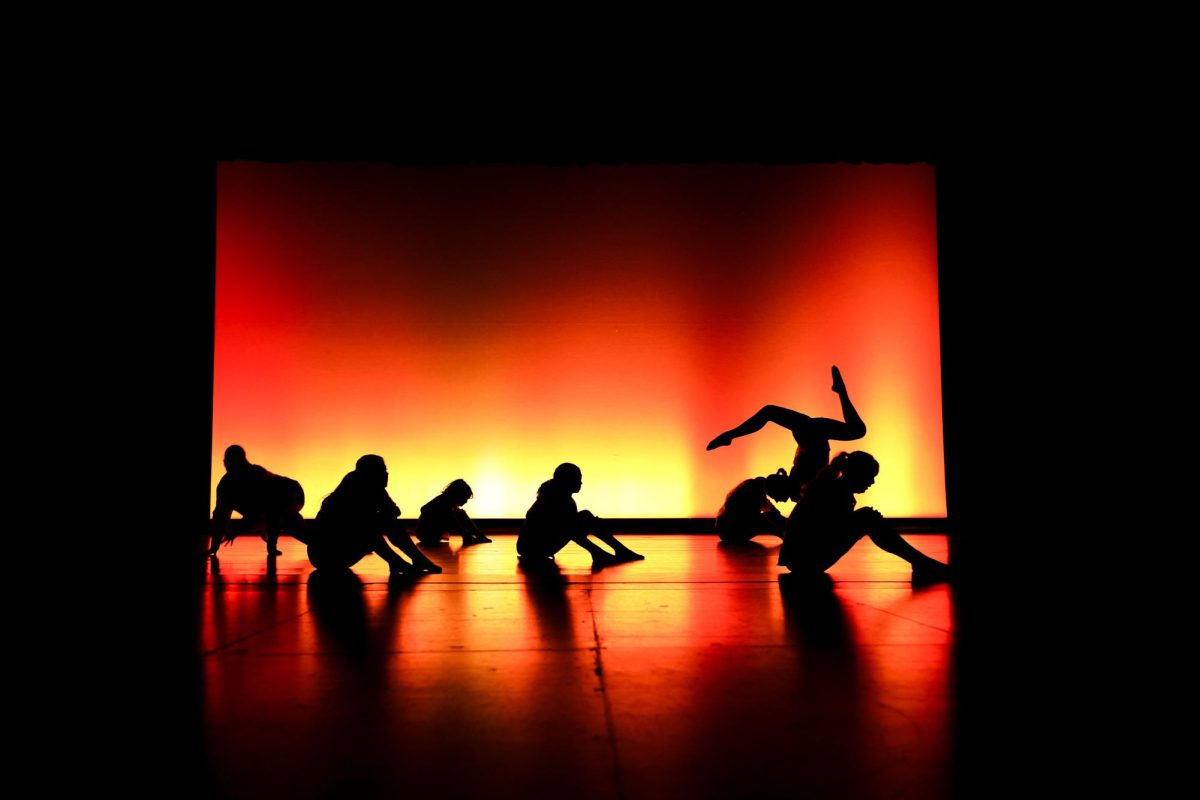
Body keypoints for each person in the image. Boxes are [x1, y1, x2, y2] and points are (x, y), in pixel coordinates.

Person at [777, 451, 950, 583]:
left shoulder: (831, 488)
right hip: (806, 561)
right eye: (870, 477)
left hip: (801, 560)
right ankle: (921, 562)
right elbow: (825, 530)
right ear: (857, 474)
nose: (872, 483)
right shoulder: (834, 493)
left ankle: (920, 562)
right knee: (868, 517)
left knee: (868, 517)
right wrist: (865, 521)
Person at [706, 366, 866, 500]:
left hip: (810, 433)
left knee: (769, 411)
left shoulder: (801, 482)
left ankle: (730, 436)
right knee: (858, 430)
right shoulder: (803, 485)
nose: (780, 502)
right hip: (814, 434)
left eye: (778, 499)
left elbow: (805, 490)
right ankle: (840, 392)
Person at [307, 454, 443, 576]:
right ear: (370, 473)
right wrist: (383, 514)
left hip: (343, 553)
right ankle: (401, 561)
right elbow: (360, 523)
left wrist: (384, 513)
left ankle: (411, 559)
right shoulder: (347, 496)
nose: (387, 474)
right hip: (325, 556)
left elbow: (395, 511)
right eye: (382, 470)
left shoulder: (376, 490)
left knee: (385, 523)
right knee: (368, 527)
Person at [517, 463, 644, 568]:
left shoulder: (554, 494)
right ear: (567, 480)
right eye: (578, 478)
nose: (581, 483)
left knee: (584, 517)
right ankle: (604, 552)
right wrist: (591, 524)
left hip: (532, 548)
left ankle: (611, 551)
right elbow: (568, 528)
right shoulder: (557, 498)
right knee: (582, 518)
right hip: (534, 549)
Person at [210, 444, 305, 557]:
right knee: (277, 516)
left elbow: (266, 508)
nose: (227, 463)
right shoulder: (225, 486)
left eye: (231, 460)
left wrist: (237, 529)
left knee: (284, 518)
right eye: (226, 460)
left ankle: (273, 542)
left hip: (293, 493)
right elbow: (220, 515)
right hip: (272, 505)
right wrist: (214, 547)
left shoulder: (257, 474)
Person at [715, 468, 793, 544]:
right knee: (769, 520)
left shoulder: (753, 486)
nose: (776, 500)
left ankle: (788, 535)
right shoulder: (755, 491)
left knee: (769, 518)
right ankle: (788, 536)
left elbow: (770, 509)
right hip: (729, 530)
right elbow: (772, 513)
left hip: (725, 529)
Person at [415, 479, 492, 547]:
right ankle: (468, 536)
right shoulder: (443, 500)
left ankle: (475, 535)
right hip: (426, 535)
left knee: (459, 513)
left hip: (429, 534)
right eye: (465, 498)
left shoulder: (447, 501)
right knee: (452, 514)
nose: (466, 501)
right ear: (459, 494)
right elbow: (424, 508)